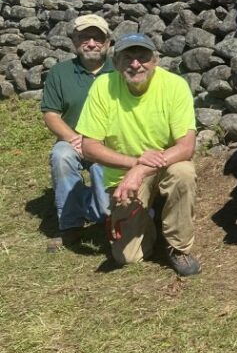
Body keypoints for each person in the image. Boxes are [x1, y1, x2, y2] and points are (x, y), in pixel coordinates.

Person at [77, 33, 200, 276]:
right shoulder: (103, 87)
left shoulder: (175, 85)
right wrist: (134, 164)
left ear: (155, 60)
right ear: (115, 62)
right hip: (123, 178)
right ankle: (152, 218)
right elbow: (89, 146)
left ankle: (178, 247)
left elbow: (186, 147)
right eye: (128, 57)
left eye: (142, 57)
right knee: (128, 257)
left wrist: (140, 169)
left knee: (184, 171)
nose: (135, 64)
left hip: (164, 166)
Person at [40, 14, 115, 251]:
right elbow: (51, 114)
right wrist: (74, 139)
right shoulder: (60, 73)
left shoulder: (121, 71)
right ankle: (70, 226)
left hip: (111, 143)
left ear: (108, 42)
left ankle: (106, 215)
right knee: (61, 156)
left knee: (105, 209)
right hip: (73, 140)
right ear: (74, 41)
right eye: (84, 37)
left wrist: (100, 145)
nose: (91, 43)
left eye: (98, 38)